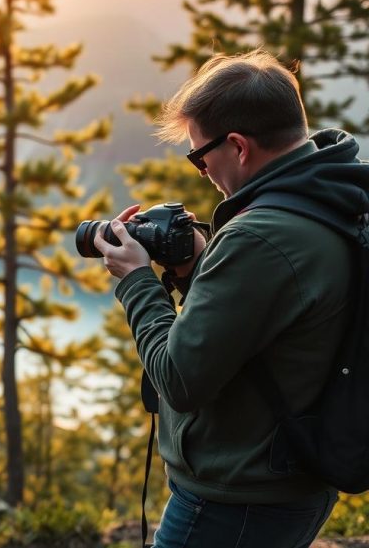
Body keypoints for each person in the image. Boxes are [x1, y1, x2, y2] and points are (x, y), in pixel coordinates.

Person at [94, 50, 369, 547]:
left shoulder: (261, 237)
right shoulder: (336, 198)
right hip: (292, 479)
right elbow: (281, 319)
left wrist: (135, 279)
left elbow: (179, 378)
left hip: (235, 501)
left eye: (200, 158)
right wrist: (199, 266)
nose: (203, 171)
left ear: (238, 147)